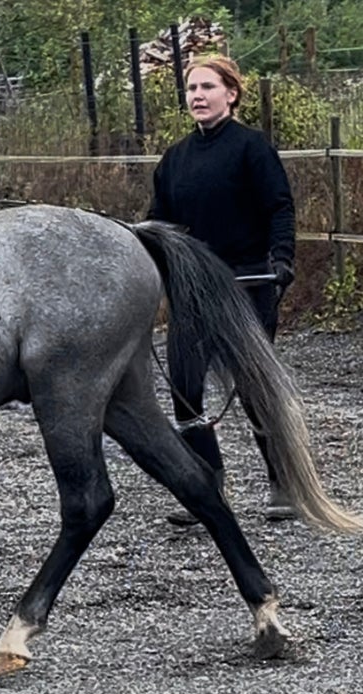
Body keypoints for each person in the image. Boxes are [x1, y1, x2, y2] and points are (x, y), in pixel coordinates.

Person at [148, 54, 297, 525]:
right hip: (193, 290)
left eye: (207, 87)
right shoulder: (174, 159)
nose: (197, 96)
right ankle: (207, 485)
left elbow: (279, 206)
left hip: (247, 283)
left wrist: (282, 258)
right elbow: (160, 225)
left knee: (254, 389)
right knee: (185, 390)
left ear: (230, 94)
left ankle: (283, 482)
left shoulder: (253, 149)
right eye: (191, 88)